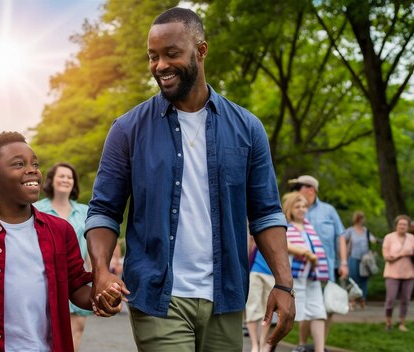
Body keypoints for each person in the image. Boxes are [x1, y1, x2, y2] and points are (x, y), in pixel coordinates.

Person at [84, 7, 295, 351]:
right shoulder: (127, 130)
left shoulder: (247, 128)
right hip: (158, 298)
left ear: (201, 50)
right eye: (153, 57)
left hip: (226, 298)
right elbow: (104, 210)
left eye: (171, 54)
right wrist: (101, 271)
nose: (160, 66)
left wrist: (284, 285)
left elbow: (267, 213)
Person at [0, 131, 121, 352]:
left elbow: (76, 287)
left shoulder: (61, 230)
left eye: (35, 163)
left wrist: (102, 295)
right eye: (18, 164)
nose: (32, 170)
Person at [34, 162, 91, 352]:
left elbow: (91, 247)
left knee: (76, 329)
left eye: (69, 177)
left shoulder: (84, 212)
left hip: (77, 279)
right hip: (45, 279)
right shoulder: (36, 209)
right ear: (52, 180)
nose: (66, 180)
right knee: (46, 330)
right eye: (61, 176)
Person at [288, 175, 346, 342]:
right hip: (302, 270)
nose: (295, 192)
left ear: (310, 189)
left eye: (298, 187)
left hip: (326, 269)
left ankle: (320, 344)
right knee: (305, 306)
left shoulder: (329, 211)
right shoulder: (295, 209)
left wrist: (343, 263)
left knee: (327, 308)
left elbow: (340, 236)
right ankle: (303, 344)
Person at [283, 192, 329, 352]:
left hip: (312, 276)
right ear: (290, 208)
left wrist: (314, 260)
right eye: (297, 206)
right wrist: (307, 254)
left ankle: (320, 349)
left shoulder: (309, 227)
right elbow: (285, 245)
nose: (302, 209)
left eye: (304, 206)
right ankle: (266, 346)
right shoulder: (286, 227)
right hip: (295, 277)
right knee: (287, 315)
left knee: (318, 312)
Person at [382, 214, 414, 332]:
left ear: (408, 226)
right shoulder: (389, 237)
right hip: (392, 273)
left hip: (409, 273)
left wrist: (411, 253)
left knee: (405, 299)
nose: (402, 226)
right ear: (396, 225)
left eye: (405, 224)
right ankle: (388, 321)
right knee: (390, 298)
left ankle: (402, 322)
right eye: (400, 224)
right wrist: (402, 254)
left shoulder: (412, 238)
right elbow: (387, 257)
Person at [245, 235, 276, 352]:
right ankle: (255, 345)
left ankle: (263, 344)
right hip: (255, 270)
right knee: (252, 307)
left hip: (272, 273)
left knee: (268, 310)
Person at [341, 211, 376, 309]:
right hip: (353, 257)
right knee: (353, 279)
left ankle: (362, 299)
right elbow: (343, 240)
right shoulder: (350, 231)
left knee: (364, 279)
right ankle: (352, 300)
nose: (362, 220)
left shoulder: (366, 231)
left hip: (365, 260)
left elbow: (372, 240)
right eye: (360, 218)